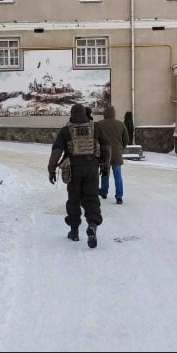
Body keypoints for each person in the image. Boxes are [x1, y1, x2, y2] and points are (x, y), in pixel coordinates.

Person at [48, 103, 110, 248]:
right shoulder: (95, 128)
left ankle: (74, 231)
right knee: (91, 197)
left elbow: (57, 150)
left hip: (74, 168)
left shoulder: (66, 130)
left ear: (72, 114)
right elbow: (107, 146)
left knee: (74, 198)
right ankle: (92, 225)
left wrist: (51, 169)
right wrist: (105, 166)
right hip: (92, 167)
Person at [95, 105, 130, 204]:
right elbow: (126, 139)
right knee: (118, 175)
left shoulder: (99, 124)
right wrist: (121, 148)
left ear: (105, 114)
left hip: (104, 153)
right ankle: (119, 197)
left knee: (104, 173)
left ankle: (104, 192)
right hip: (117, 153)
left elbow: (95, 138)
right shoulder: (120, 124)